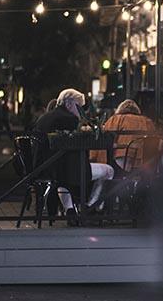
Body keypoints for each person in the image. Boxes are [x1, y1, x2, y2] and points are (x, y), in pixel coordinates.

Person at [33, 88, 114, 225]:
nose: (81, 111)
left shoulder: (44, 117)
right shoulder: (68, 118)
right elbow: (77, 142)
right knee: (108, 170)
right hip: (66, 168)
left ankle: (70, 210)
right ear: (69, 104)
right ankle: (91, 206)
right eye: (80, 107)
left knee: (62, 178)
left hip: (44, 168)